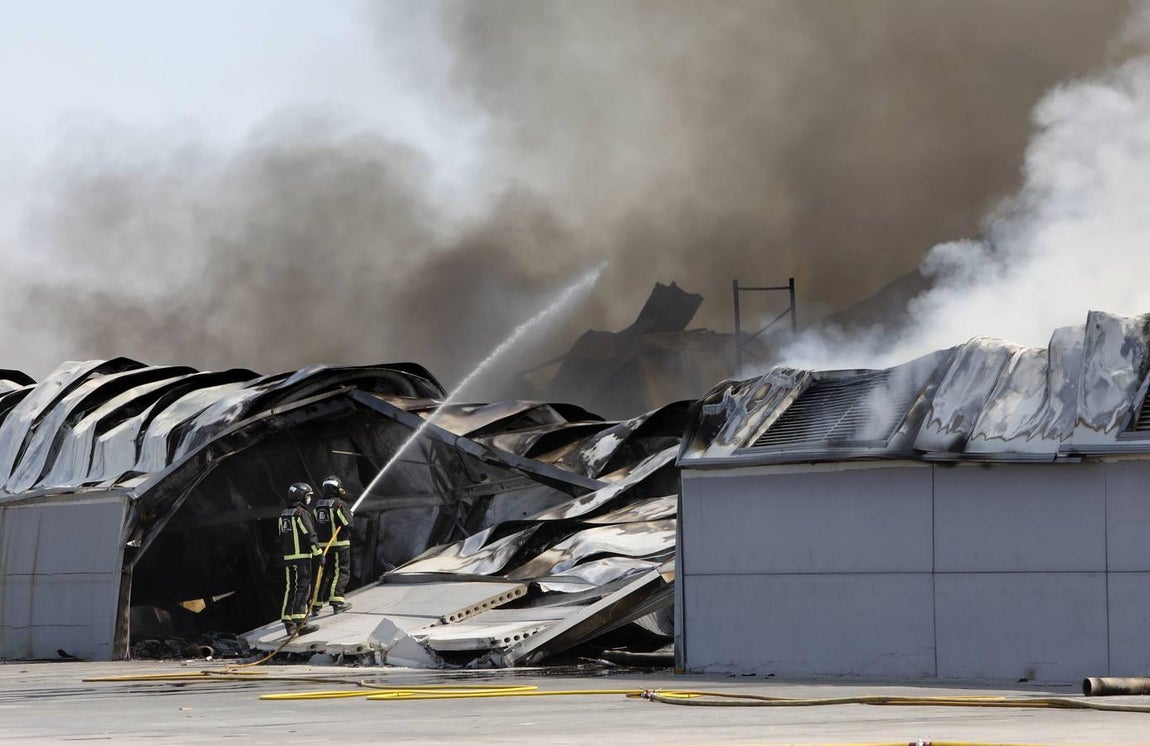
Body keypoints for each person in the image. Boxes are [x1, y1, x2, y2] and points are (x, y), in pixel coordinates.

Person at [278, 482, 321, 636]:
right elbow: (309, 535)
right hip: (302, 558)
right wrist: (318, 553)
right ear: (300, 496)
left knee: (290, 588)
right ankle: (301, 623)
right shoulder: (300, 514)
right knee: (303, 588)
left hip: (289, 558)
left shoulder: (284, 514)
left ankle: (288, 621)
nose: (309, 499)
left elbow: (281, 537)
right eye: (308, 496)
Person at [311, 475, 354, 615]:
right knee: (340, 572)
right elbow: (348, 526)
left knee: (322, 575)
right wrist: (350, 515)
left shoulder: (317, 506)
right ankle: (337, 602)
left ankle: (315, 605)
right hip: (339, 546)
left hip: (323, 547)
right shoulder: (338, 505)